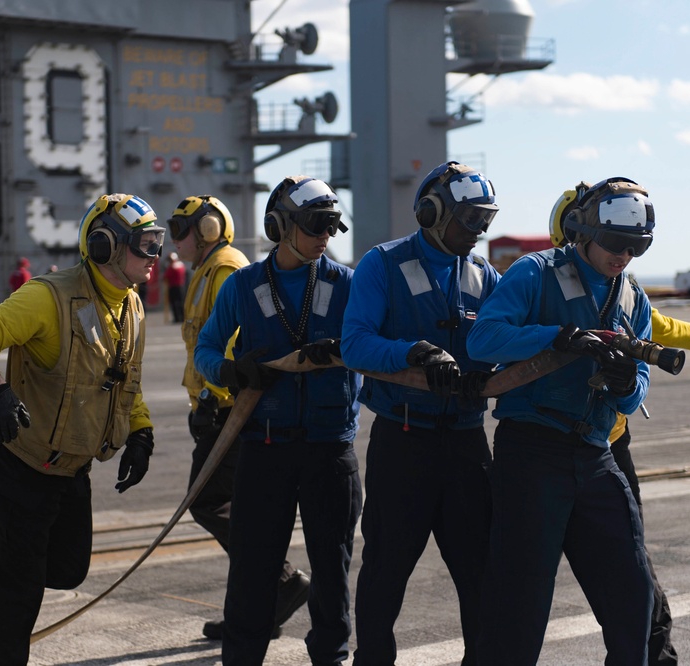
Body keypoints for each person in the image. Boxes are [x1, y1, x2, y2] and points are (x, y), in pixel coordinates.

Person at [0, 193, 164, 665]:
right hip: (21, 460)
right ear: (105, 246)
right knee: (18, 587)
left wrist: (140, 433)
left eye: (156, 243)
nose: (155, 256)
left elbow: (128, 382)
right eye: (145, 245)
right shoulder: (48, 297)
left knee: (66, 569)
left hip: (71, 466)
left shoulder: (131, 307)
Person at [542, 185, 690, 666]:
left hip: (606, 448)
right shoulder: (541, 285)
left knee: (633, 571)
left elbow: (662, 328)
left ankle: (654, 656)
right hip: (545, 451)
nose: (620, 252)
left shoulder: (619, 293)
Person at [467, 177, 658, 665]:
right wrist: (559, 337)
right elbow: (483, 339)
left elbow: (635, 393)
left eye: (636, 248)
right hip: (533, 453)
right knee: (520, 608)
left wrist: (622, 383)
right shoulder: (536, 272)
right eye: (616, 244)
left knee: (633, 597)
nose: (624, 257)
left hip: (595, 456)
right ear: (586, 230)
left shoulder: (633, 298)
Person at [194, 176, 362, 666]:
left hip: (330, 452)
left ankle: (331, 657)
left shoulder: (346, 284)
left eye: (331, 227)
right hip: (264, 450)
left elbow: (373, 352)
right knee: (252, 570)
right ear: (279, 225)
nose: (325, 238)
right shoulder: (244, 286)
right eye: (315, 226)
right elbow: (206, 348)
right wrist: (227, 370)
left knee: (332, 571)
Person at [340, 161, 500, 666]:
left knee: (481, 576)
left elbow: (503, 345)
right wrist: (414, 353)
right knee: (386, 569)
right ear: (431, 213)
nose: (479, 232)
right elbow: (355, 345)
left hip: (467, 446)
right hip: (404, 442)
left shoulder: (483, 275)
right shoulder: (382, 265)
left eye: (485, 220)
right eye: (469, 219)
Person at [168, 194, 313, 641]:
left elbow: (236, 338)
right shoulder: (205, 271)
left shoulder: (226, 267)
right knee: (226, 507)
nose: (174, 240)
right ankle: (260, 606)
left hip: (230, 409)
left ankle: (280, 583)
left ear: (208, 229)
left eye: (181, 229)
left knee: (214, 505)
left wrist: (214, 397)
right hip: (217, 406)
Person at [163, 250, 187, 323]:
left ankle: (177, 317)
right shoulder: (181, 265)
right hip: (181, 286)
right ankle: (182, 317)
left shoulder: (172, 267)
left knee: (174, 303)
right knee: (181, 302)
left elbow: (166, 276)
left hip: (173, 287)